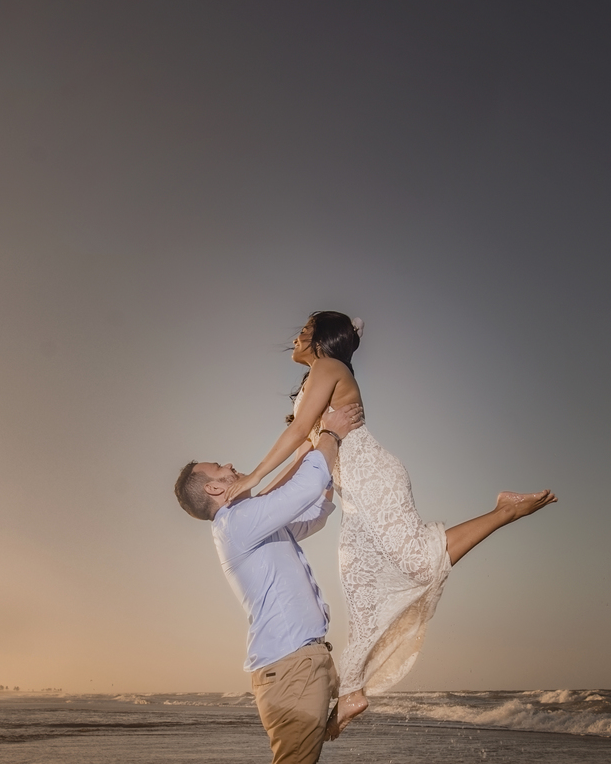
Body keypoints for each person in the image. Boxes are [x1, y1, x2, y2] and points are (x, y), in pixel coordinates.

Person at [223, 311, 558, 738]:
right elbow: (306, 453)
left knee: (418, 562)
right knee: (359, 588)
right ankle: (353, 692)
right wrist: (263, 495)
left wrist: (253, 479)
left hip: (376, 480)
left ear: (324, 339)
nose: (297, 336)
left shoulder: (330, 367)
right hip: (356, 499)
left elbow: (304, 431)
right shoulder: (314, 382)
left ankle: (504, 510)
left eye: (306, 330)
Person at [174, 401, 364, 764]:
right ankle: (336, 711)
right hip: (291, 669)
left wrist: (320, 478)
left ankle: (340, 708)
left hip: (304, 662)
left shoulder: (248, 522)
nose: (229, 465)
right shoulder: (236, 523)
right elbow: (300, 490)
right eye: (219, 468)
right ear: (215, 490)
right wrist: (330, 433)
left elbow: (307, 517)